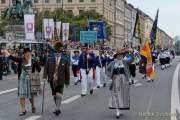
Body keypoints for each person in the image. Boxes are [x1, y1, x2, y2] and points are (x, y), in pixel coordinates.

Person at [4, 48, 41, 116]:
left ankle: (33, 106)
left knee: (30, 96)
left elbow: (39, 70)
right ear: (24, 54)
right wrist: (7, 52)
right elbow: (13, 58)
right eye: (26, 53)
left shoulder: (33, 61)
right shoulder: (21, 60)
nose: (27, 54)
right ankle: (23, 110)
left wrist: (33, 73)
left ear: (30, 53)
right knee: (22, 95)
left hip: (30, 80)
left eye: (28, 52)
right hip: (22, 80)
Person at [44, 41, 70, 116]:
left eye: (59, 52)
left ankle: (57, 108)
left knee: (59, 95)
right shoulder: (50, 59)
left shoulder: (65, 60)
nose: (58, 53)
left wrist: (67, 82)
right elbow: (46, 69)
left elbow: (67, 72)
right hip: (52, 80)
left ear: (61, 53)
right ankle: (57, 106)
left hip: (61, 80)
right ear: (55, 52)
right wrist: (45, 77)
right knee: (55, 95)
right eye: (56, 52)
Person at [106, 49, 133, 119]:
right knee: (116, 95)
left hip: (124, 80)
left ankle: (120, 109)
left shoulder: (125, 62)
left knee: (122, 95)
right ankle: (117, 111)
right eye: (119, 55)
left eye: (121, 55)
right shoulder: (112, 63)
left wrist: (132, 52)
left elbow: (132, 60)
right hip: (115, 80)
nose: (120, 56)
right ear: (116, 56)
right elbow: (106, 70)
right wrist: (111, 76)